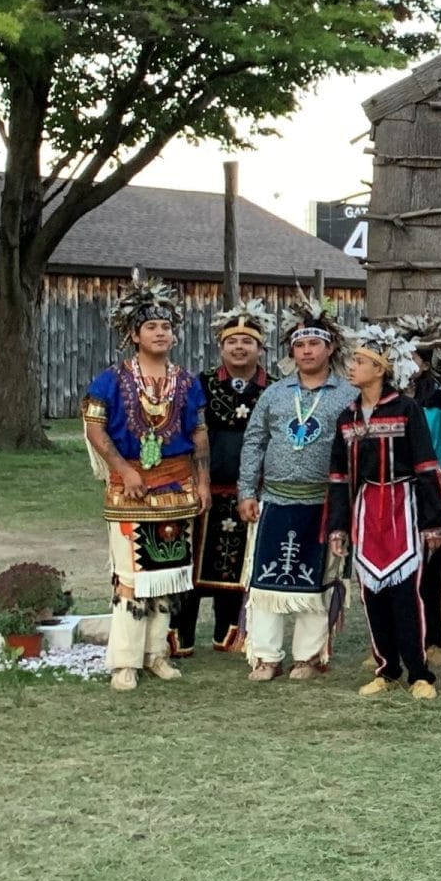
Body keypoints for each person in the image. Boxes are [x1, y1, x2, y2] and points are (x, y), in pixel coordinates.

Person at [82, 278, 208, 693]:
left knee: (169, 573)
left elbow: (199, 432)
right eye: (151, 326)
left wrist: (202, 480)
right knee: (132, 576)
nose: (160, 332)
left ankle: (157, 654)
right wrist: (124, 468)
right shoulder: (110, 380)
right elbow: (95, 429)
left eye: (166, 327)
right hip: (130, 487)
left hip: (177, 484)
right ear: (134, 335)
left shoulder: (187, 382)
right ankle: (124, 662)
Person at [327, 326, 441, 700]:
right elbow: (338, 476)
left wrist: (433, 521)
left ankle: (420, 673)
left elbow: (427, 465)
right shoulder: (347, 417)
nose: (352, 367)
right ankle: (387, 668)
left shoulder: (405, 409)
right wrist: (338, 527)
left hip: (403, 505)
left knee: (407, 593)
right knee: (371, 593)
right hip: (366, 509)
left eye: (360, 361)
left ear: (380, 369)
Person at [237, 296, 355, 683]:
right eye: (300, 345)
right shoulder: (274, 393)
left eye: (314, 344)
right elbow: (254, 441)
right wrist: (246, 492)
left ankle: (308, 657)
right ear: (292, 350)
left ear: (330, 347)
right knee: (266, 582)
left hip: (323, 500)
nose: (306, 351)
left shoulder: (347, 394)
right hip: (275, 498)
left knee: (317, 581)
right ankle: (266, 657)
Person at [173, 299, 271, 658]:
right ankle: (179, 636)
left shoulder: (274, 389)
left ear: (260, 347)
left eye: (248, 341)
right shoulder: (200, 385)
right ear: (221, 346)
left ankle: (229, 634)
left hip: (250, 493)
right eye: (233, 341)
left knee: (238, 563)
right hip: (204, 488)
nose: (240, 347)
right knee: (189, 565)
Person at [397, 312, 441, 668]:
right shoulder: (378, 401)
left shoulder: (440, 402)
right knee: (391, 568)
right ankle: (390, 637)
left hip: (430, 496)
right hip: (387, 495)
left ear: (425, 362)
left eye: (413, 356)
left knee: (431, 571)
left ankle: (432, 638)